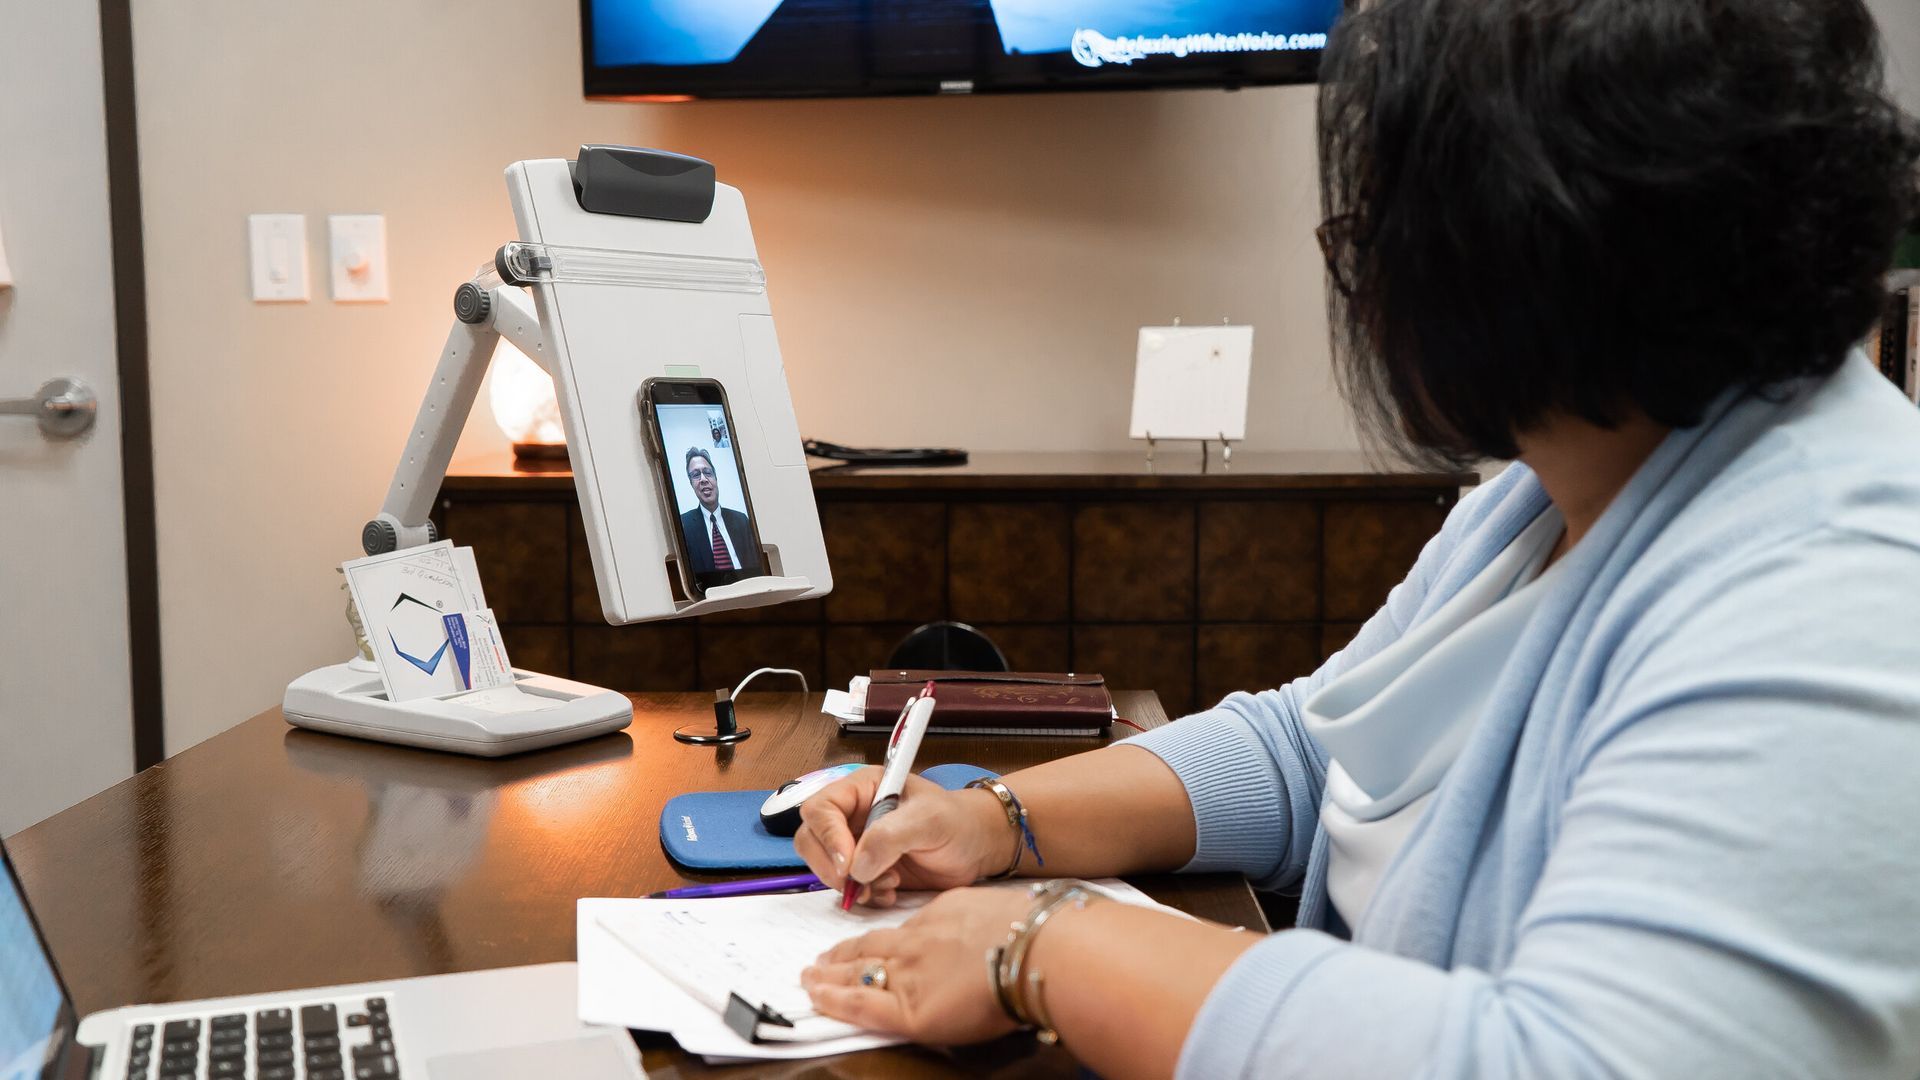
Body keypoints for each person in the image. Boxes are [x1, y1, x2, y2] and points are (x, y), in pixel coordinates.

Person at [793, 1, 1920, 1076]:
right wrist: (995, 823)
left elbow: (1562, 1061)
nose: (1364, 284)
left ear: (1524, 245)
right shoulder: (1541, 499)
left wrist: (1040, 945)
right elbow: (1313, 751)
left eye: (1370, 237)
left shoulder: (1834, 592)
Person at [677, 447, 760, 575]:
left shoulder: (741, 520)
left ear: (715, 477)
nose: (703, 479)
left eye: (707, 472)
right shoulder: (683, 525)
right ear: (691, 484)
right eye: (696, 475)